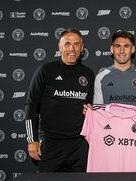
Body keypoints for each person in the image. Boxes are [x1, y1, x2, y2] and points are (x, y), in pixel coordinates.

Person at [25, 28, 95, 172]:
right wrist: (32, 140)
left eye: (76, 44)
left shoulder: (88, 74)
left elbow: (91, 108)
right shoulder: (46, 70)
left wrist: (90, 111)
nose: (72, 48)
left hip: (79, 145)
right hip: (51, 143)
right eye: (67, 44)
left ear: (82, 48)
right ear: (60, 47)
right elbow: (31, 105)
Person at [84, 31, 136, 116]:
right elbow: (98, 112)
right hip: (110, 128)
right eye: (117, 46)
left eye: (126, 46)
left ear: (132, 49)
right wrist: (90, 112)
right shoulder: (101, 77)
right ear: (111, 49)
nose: (122, 51)